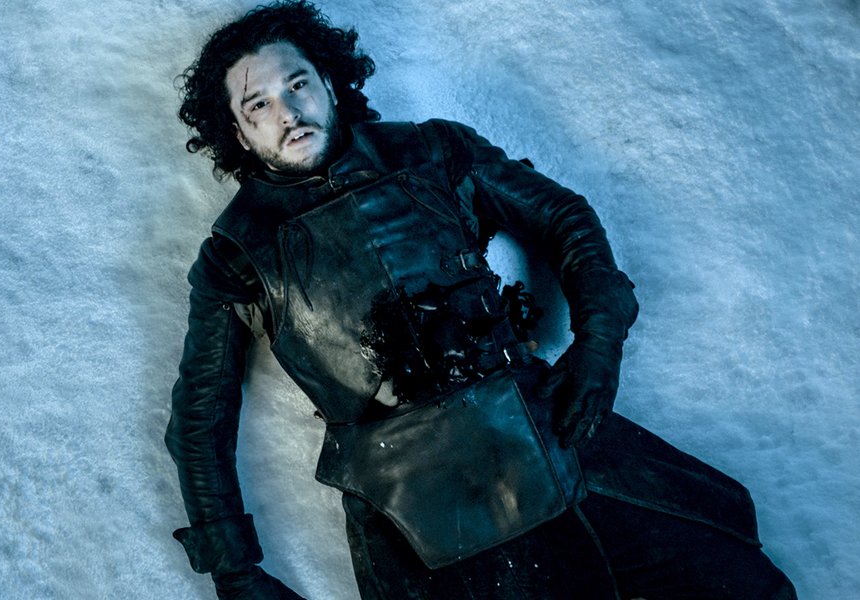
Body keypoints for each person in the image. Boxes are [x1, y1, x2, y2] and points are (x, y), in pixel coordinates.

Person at [165, 2, 797, 598]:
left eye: (297, 84)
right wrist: (233, 570)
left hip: (545, 433)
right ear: (238, 133)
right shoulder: (235, 255)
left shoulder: (433, 151)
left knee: (741, 583)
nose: (287, 112)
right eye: (258, 104)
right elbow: (200, 416)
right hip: (412, 503)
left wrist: (599, 344)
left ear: (328, 82)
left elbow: (564, 218)